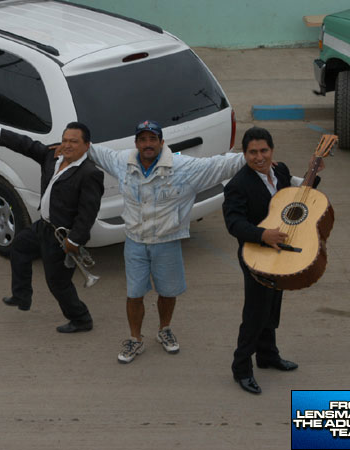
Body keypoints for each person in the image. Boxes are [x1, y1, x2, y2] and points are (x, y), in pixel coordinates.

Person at [88, 120, 246, 363]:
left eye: (153, 139)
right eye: (143, 139)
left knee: (168, 291)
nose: (148, 144)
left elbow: (221, 164)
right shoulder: (123, 162)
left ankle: (164, 329)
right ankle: (135, 339)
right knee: (134, 294)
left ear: (162, 142)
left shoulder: (183, 167)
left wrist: (255, 158)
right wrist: (69, 144)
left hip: (168, 241)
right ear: (136, 143)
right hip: (135, 241)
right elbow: (95, 151)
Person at [0, 110, 104, 333]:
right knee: (18, 247)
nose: (67, 145)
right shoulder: (52, 156)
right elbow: (26, 145)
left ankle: (81, 319)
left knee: (58, 283)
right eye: (65, 140)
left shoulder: (89, 174)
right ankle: (22, 296)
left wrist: (75, 241)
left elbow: (88, 213)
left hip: (63, 237)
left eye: (74, 142)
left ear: (86, 145)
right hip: (43, 227)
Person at [223, 126, 324, 394]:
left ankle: (267, 355)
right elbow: (233, 223)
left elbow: (298, 194)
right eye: (253, 152)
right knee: (255, 313)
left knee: (272, 307)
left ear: (272, 150)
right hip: (255, 254)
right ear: (244, 154)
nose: (259, 157)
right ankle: (241, 368)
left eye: (264, 150)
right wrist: (262, 234)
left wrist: (314, 174)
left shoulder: (279, 171)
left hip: (280, 250)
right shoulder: (237, 186)